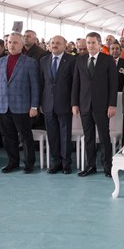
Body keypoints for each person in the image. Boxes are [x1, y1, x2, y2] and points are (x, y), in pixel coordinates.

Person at [0, 32, 40, 174]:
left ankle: (29, 163)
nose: (11, 45)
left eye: (15, 42)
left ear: (22, 44)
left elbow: (35, 86)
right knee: (8, 137)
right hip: (3, 106)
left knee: (25, 137)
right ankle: (13, 162)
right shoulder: (0, 62)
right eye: (10, 42)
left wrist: (34, 106)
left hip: (22, 107)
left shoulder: (30, 62)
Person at [72, 32, 118, 178]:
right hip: (84, 104)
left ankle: (108, 166)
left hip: (102, 106)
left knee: (104, 137)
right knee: (88, 137)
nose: (90, 45)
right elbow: (76, 83)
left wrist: (112, 104)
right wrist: (74, 104)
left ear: (99, 44)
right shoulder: (80, 60)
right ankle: (90, 165)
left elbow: (113, 84)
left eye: (93, 42)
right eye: (88, 42)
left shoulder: (108, 60)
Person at [39, 36, 76, 174]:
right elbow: (41, 83)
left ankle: (66, 163)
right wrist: (40, 103)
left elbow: (74, 84)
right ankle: (56, 162)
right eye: (52, 43)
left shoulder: (72, 60)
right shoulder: (43, 60)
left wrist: (74, 103)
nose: (54, 45)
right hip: (48, 104)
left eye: (58, 43)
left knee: (65, 134)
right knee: (52, 134)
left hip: (65, 104)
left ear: (65, 45)